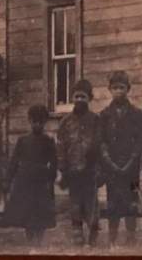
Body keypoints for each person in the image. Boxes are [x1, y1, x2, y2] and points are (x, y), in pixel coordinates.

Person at [99, 70, 142, 246]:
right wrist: (109, 161)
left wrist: (132, 160)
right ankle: (112, 239)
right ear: (109, 89)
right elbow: (101, 141)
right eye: (115, 88)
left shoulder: (137, 114)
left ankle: (131, 237)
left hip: (131, 168)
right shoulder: (104, 115)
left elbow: (140, 140)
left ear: (128, 89)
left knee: (131, 202)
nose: (119, 91)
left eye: (122, 87)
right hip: (112, 168)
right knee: (113, 202)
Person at [57, 80, 102, 246]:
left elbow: (100, 143)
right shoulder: (65, 122)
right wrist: (63, 169)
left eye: (83, 96)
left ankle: (93, 233)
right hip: (73, 170)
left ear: (89, 98)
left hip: (90, 170)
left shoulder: (96, 120)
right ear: (72, 98)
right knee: (75, 202)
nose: (80, 100)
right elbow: (60, 146)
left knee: (91, 203)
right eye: (77, 96)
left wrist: (96, 165)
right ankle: (77, 233)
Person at [3, 104, 58, 244]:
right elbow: (14, 162)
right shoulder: (23, 140)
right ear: (30, 121)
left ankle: (39, 240)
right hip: (25, 179)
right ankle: (30, 239)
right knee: (27, 210)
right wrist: (8, 181)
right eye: (35, 122)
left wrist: (50, 179)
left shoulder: (48, 141)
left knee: (40, 210)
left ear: (45, 122)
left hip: (41, 180)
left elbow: (54, 162)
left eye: (40, 122)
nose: (37, 125)